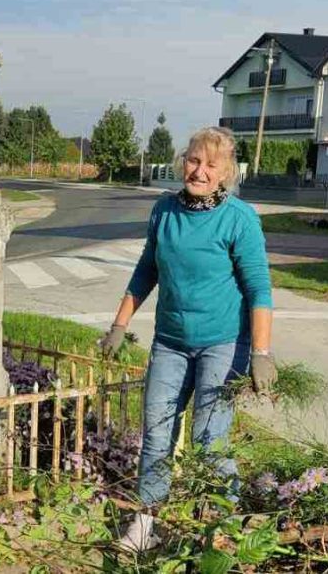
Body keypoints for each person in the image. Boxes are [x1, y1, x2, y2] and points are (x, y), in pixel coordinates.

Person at [100, 127, 277, 552]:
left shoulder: (239, 218)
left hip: (223, 343)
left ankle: (226, 522)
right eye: (194, 161)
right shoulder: (164, 211)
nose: (199, 171)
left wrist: (262, 352)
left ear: (226, 173)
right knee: (157, 432)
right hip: (171, 342)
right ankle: (146, 523)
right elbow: (147, 269)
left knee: (208, 440)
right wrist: (120, 325)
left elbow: (259, 288)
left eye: (210, 165)